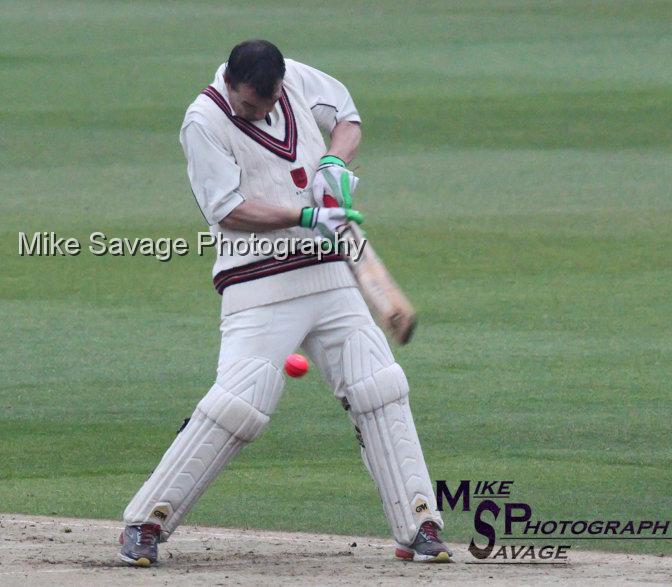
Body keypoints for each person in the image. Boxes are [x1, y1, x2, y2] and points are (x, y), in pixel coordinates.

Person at [119, 39, 450, 566]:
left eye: (271, 100)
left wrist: (334, 164)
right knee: (239, 404)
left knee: (380, 386)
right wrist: (304, 217)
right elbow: (227, 209)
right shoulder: (202, 121)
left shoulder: (289, 78)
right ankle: (144, 524)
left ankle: (419, 526)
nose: (264, 111)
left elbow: (346, 115)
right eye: (253, 104)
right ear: (231, 83)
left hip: (331, 271)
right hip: (258, 280)